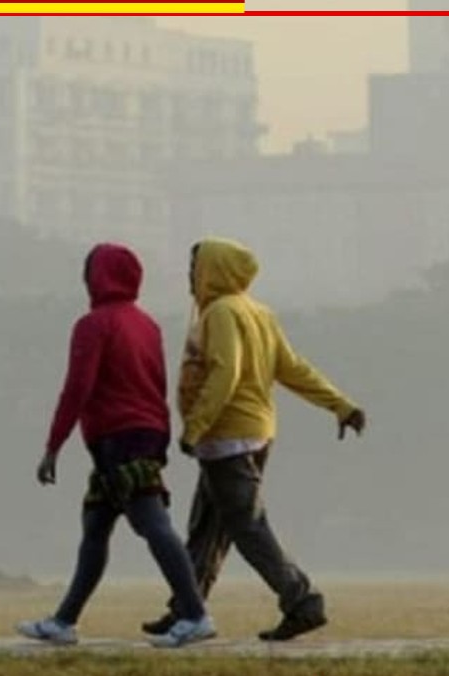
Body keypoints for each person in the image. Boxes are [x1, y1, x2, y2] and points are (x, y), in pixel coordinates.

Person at [141, 236, 366, 642]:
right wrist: (341, 405)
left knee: (246, 526)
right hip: (252, 433)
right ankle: (185, 608)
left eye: (196, 268)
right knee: (207, 527)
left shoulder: (222, 313)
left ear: (215, 271)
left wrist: (195, 428)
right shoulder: (258, 312)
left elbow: (224, 372)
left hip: (227, 436)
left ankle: (302, 601)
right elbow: (292, 368)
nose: (191, 277)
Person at [16, 242, 217, 649]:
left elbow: (78, 387)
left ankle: (195, 614)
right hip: (143, 433)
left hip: (118, 439)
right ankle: (64, 621)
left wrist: (54, 445)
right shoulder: (148, 325)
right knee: (95, 527)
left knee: (152, 524)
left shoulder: (93, 325)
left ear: (97, 277)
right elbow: (157, 384)